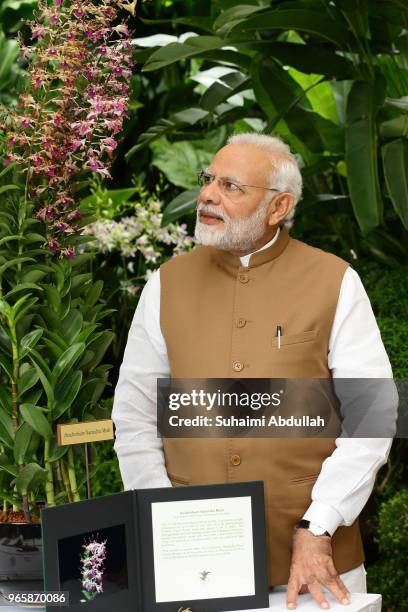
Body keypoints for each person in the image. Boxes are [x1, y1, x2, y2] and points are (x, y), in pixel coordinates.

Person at [111, 133, 397, 610]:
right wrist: (165, 520)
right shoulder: (165, 284)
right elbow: (135, 417)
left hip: (314, 570)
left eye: (231, 186)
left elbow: (373, 419)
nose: (207, 194)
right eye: (208, 180)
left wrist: (319, 525)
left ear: (279, 207)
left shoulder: (335, 281)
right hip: (195, 568)